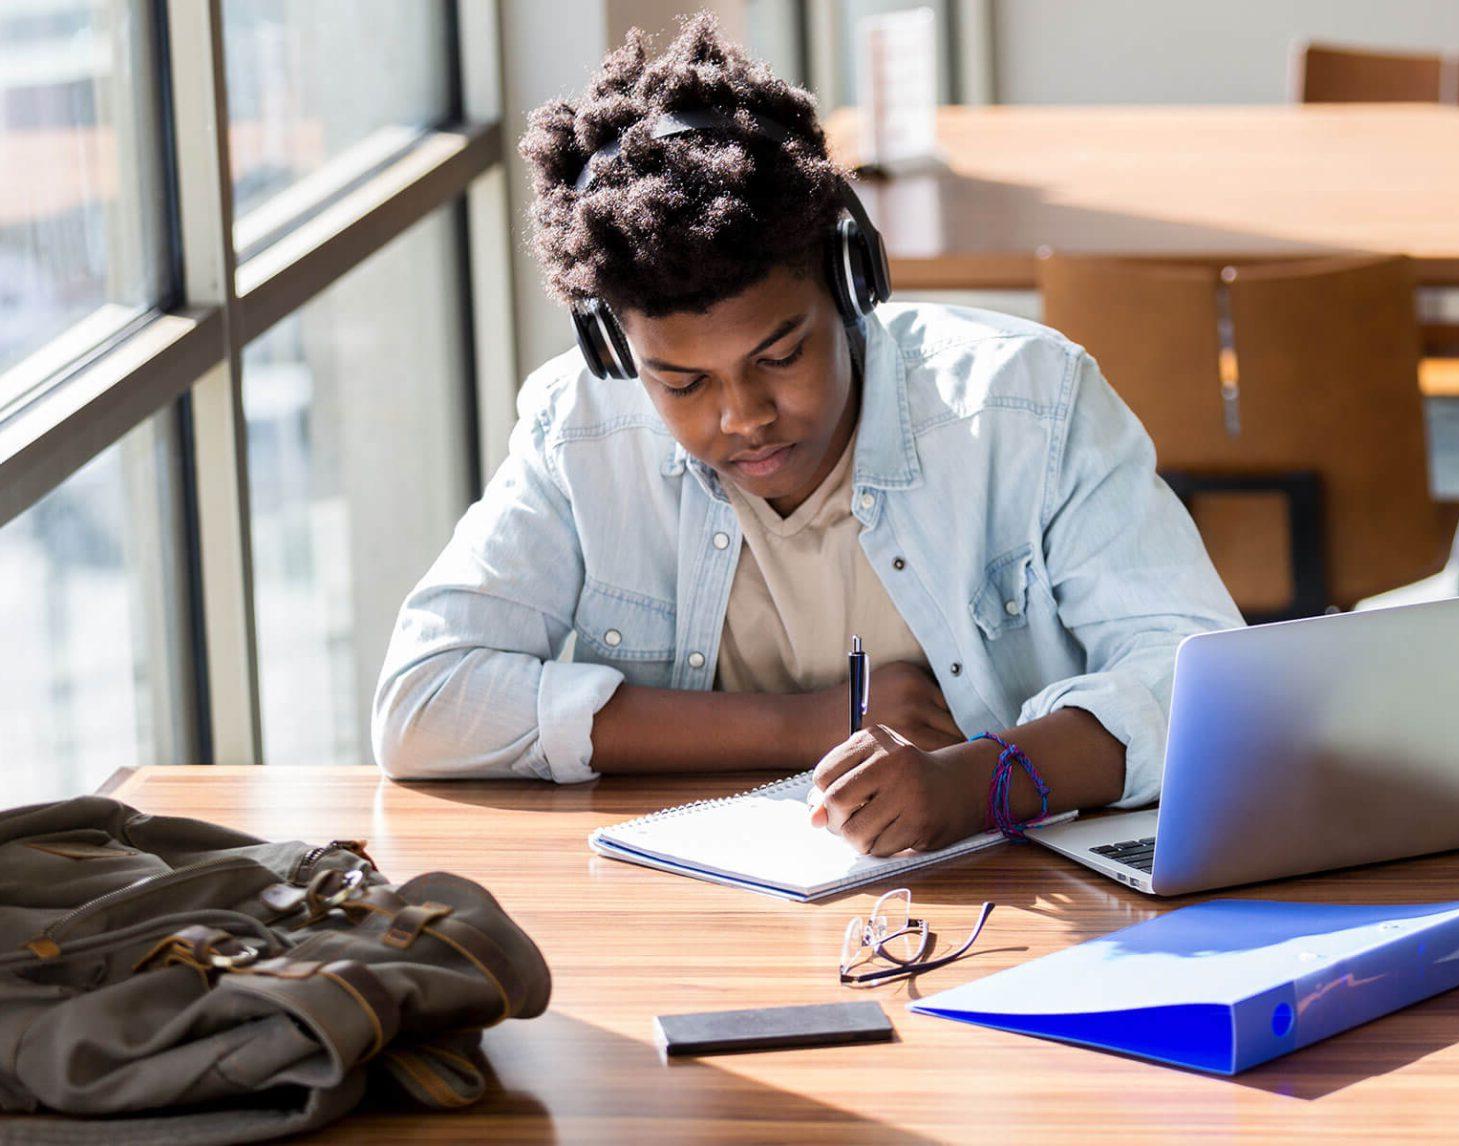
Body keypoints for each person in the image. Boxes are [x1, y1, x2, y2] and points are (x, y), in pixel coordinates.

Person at [371, 15, 1239, 857]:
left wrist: (977, 784)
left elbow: (1202, 687)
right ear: (616, 351)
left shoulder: (1027, 403)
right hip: (711, 917)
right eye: (681, 382)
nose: (743, 415)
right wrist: (803, 724)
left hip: (1006, 908)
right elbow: (425, 702)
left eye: (781, 355)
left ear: (851, 282)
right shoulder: (582, 430)